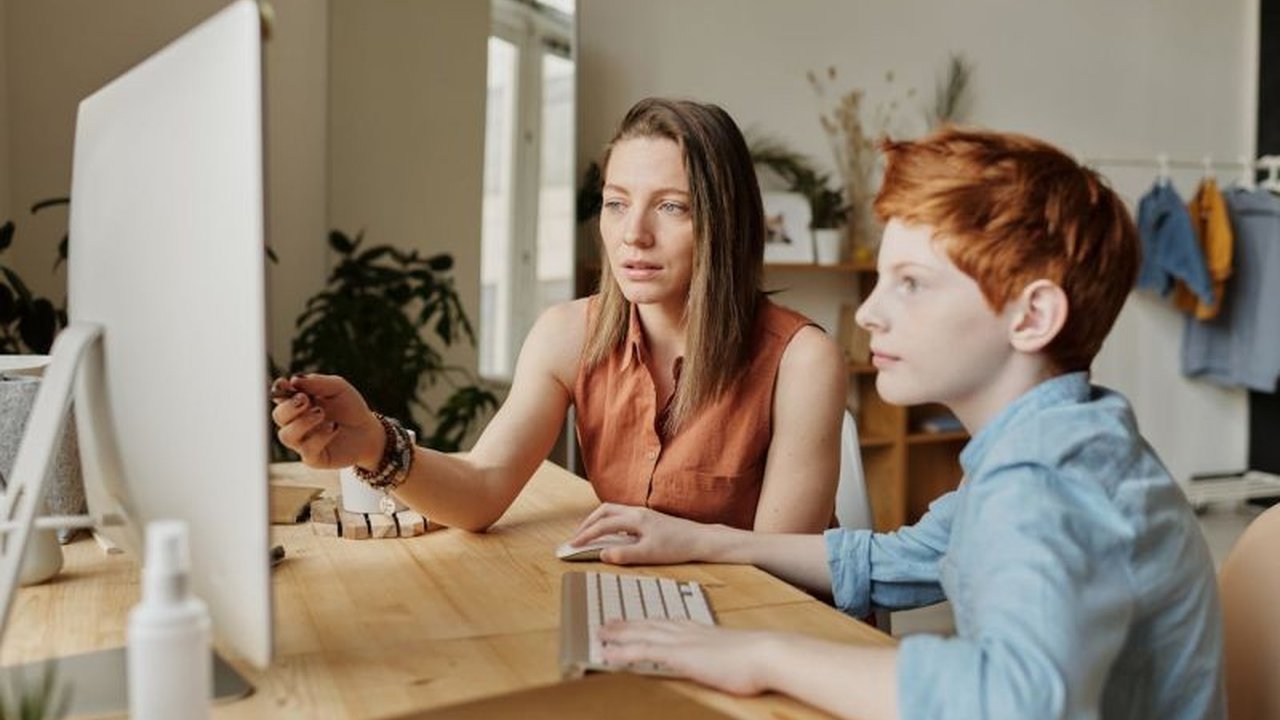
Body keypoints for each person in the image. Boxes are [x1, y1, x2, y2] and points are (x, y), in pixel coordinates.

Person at [567, 127, 1225, 720]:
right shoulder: (1066, 440)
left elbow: (1012, 700)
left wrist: (763, 655)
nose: (868, 315)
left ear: (1031, 318)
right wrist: (700, 539)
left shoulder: (1045, 483)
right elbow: (896, 559)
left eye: (910, 283)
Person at [271, 97, 846, 534]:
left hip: (764, 631)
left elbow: (781, 572)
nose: (633, 235)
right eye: (617, 203)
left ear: (727, 223)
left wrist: (668, 546)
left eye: (672, 207)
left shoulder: (802, 361)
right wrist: (373, 442)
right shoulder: (568, 334)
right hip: (647, 610)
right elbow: (481, 489)